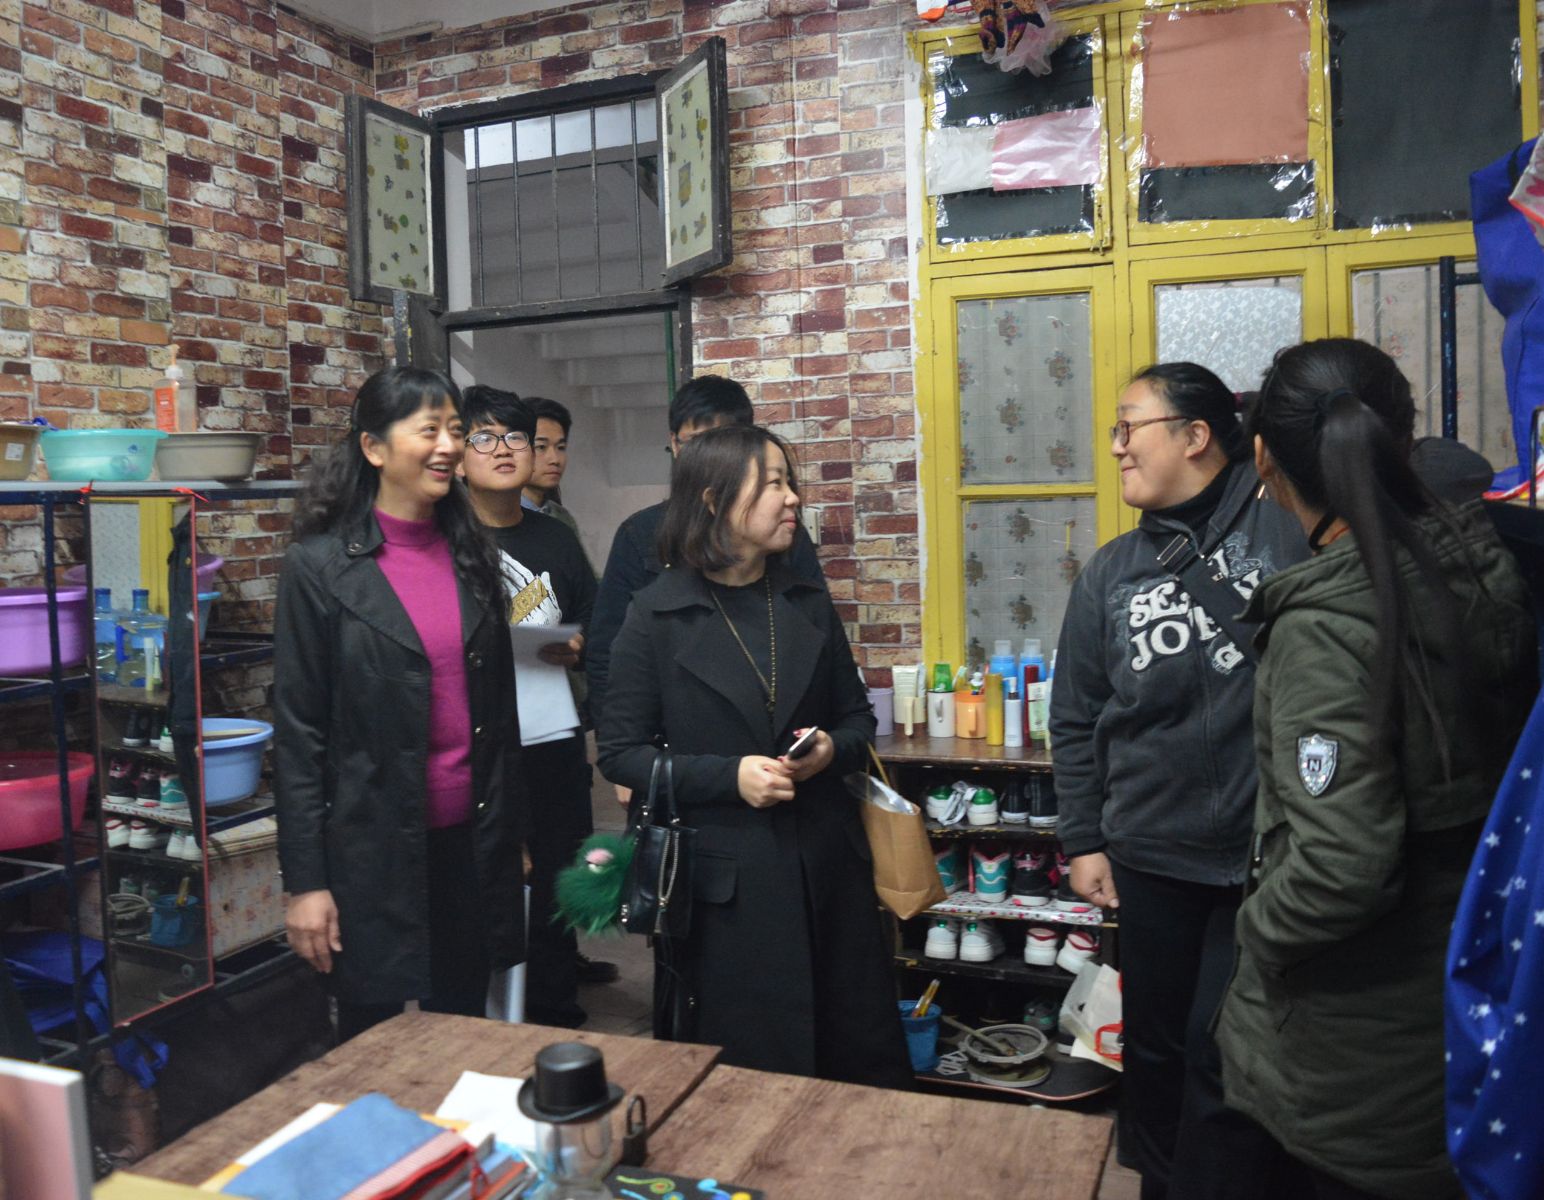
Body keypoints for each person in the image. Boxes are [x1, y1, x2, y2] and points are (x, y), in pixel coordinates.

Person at [1215, 338, 1536, 1199]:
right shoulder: (1485, 567)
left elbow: (1339, 869)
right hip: (1475, 989)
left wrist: (1254, 933)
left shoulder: (1329, 625)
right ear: (1405, 435)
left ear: (1262, 461)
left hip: (1359, 1048)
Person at [1049, 362, 1309, 1200]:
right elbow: (1077, 717)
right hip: (1152, 853)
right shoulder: (1111, 572)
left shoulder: (1286, 533)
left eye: (1131, 427)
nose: (1117, 448)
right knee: (1156, 1046)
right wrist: (1084, 839)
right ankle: (1160, 1183)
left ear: (1196, 436)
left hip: (1269, 858)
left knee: (1227, 1046)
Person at [596, 424, 910, 1087]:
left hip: (826, 867)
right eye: (773, 484)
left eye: (789, 482)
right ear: (714, 500)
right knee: (745, 1073)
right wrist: (728, 778)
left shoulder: (805, 601)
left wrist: (829, 749)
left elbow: (857, 720)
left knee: (852, 1055)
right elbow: (621, 755)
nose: (792, 498)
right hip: (723, 888)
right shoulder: (656, 614)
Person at [273, 366, 526, 1042]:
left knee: (464, 1029)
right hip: (370, 851)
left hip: (471, 843)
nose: (449, 446)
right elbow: (299, 738)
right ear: (374, 447)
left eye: (456, 431)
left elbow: (500, 717)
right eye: (429, 430)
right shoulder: (319, 568)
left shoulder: (473, 553)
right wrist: (306, 883)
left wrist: (513, 835)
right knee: (371, 1040)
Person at [458, 384, 616, 1023]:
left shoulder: (554, 538)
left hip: (553, 734)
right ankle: (486, 1020)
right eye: (484, 437)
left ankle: (555, 1006)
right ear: (459, 452)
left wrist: (577, 644)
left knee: (558, 870)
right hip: (480, 744)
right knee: (490, 878)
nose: (504, 449)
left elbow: (594, 618)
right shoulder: (448, 542)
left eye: (515, 437)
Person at [586, 375, 823, 732]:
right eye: (697, 442)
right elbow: (607, 649)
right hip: (671, 736)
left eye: (724, 440)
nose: (711, 456)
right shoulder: (640, 534)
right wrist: (620, 743)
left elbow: (816, 633)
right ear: (674, 444)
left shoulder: (782, 533)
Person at [521, 397, 585, 545]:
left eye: (561, 448)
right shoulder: (495, 517)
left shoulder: (562, 518)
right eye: (541, 447)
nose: (555, 459)